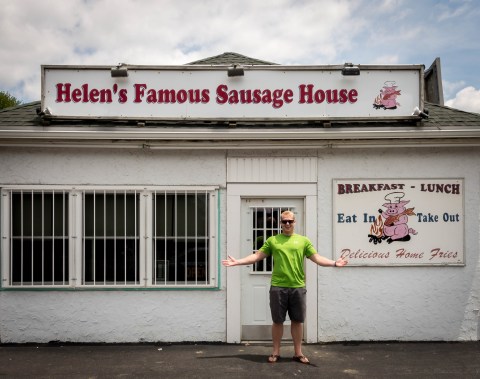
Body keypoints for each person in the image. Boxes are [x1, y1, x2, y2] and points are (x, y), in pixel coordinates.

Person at [222, 210, 348, 364]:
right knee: (278, 321)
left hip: (297, 287)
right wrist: (238, 262)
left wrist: (334, 263)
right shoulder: (273, 240)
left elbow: (317, 258)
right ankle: (275, 352)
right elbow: (257, 256)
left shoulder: (303, 241)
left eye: (290, 221)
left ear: (295, 222)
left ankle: (298, 353)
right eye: (284, 221)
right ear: (280, 223)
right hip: (278, 287)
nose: (287, 224)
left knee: (297, 320)